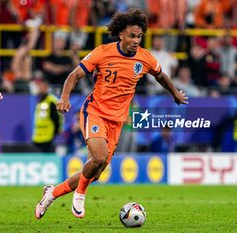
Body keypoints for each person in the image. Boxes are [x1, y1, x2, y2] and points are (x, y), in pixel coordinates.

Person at [35, 8, 188, 219]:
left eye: (140, 36)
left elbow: (161, 76)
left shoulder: (145, 58)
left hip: (117, 121)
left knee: (95, 172)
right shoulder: (103, 52)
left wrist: (175, 94)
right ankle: (80, 194)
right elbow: (74, 75)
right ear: (122, 34)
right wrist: (64, 98)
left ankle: (51, 193)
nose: (136, 40)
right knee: (98, 158)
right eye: (132, 35)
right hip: (95, 111)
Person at [32, 78, 63, 153]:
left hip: (48, 136)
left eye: (41, 86)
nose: (39, 88)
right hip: (38, 136)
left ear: (46, 87)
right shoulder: (40, 100)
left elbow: (56, 118)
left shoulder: (51, 100)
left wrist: (55, 131)